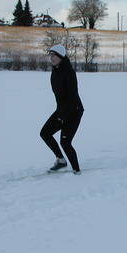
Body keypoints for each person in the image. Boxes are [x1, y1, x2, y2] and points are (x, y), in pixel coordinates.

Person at [40, 44, 84, 174]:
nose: (51, 58)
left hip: (74, 111)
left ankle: (77, 170)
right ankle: (61, 161)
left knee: (65, 142)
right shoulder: (55, 71)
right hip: (62, 110)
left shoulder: (69, 72)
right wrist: (60, 113)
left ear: (61, 57)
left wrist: (63, 116)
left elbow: (72, 96)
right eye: (50, 55)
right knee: (45, 133)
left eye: (54, 55)